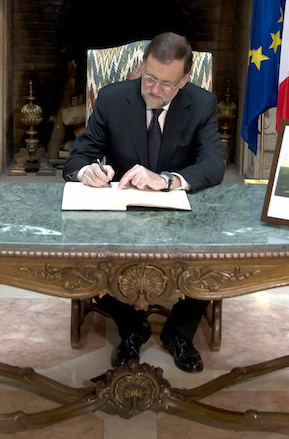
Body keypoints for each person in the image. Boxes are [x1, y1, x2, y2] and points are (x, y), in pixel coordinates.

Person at [62, 32, 223, 372]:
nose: (154, 89)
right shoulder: (111, 98)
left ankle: (179, 333)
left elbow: (213, 166)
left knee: (214, 253)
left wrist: (166, 180)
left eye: (166, 84)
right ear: (141, 68)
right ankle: (131, 328)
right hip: (121, 211)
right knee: (82, 254)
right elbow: (77, 159)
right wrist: (88, 172)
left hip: (177, 209)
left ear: (184, 81)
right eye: (149, 78)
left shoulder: (202, 103)